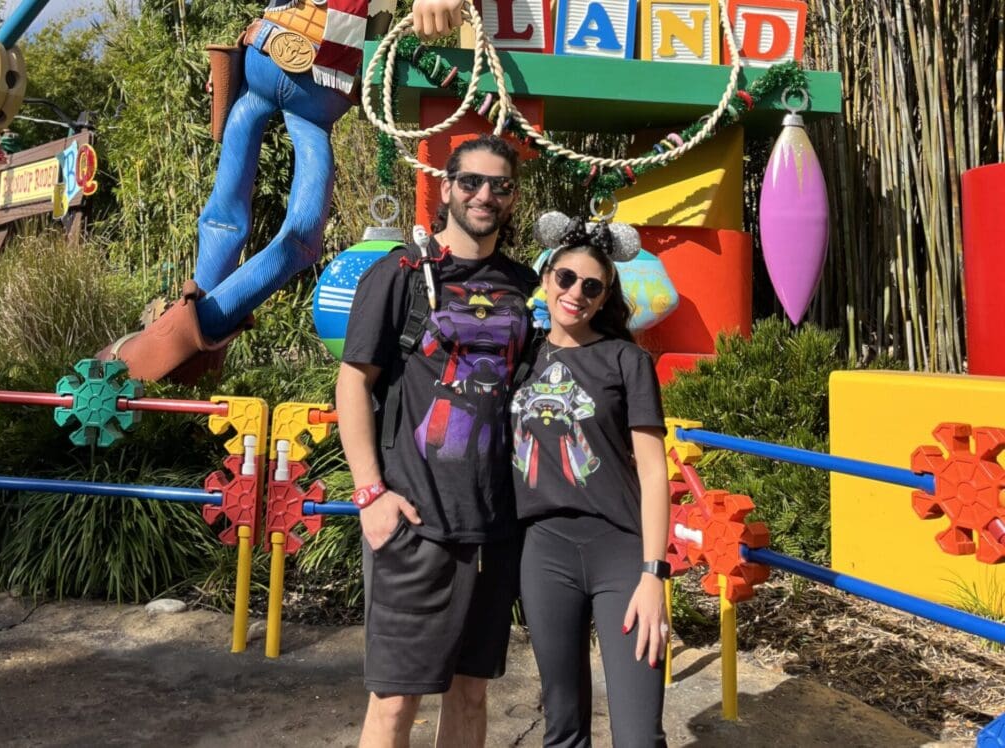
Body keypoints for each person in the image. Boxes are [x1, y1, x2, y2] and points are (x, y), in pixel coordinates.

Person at [98, 0, 471, 383]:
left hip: (310, 85)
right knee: (236, 218)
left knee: (298, 232)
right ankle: (191, 361)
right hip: (279, 64)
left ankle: (186, 339)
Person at [336, 134, 538, 748]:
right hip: (416, 519)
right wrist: (371, 495)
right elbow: (351, 383)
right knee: (395, 702)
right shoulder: (400, 274)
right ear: (446, 189)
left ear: (512, 198)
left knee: (471, 694)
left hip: (495, 527)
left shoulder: (527, 286)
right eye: (471, 182)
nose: (485, 195)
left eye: (499, 185)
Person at [510, 218, 672, 747]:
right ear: (547, 279)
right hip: (544, 550)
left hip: (620, 551)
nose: (575, 293)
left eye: (591, 286)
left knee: (637, 735)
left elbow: (652, 471)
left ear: (604, 299)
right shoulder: (520, 357)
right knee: (562, 725)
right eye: (565, 278)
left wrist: (654, 575)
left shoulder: (627, 361)